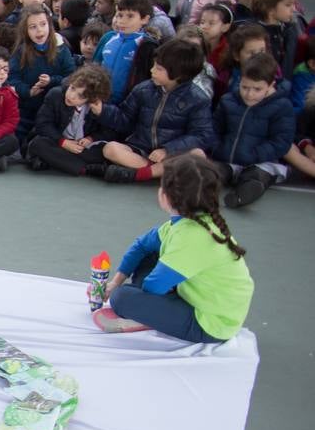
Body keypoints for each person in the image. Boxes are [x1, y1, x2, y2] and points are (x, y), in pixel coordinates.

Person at [93, 157, 254, 341]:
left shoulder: (191, 237)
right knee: (150, 253)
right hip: (204, 302)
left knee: (122, 298)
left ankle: (147, 316)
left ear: (166, 196)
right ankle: (152, 310)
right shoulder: (189, 223)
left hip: (211, 324)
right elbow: (142, 245)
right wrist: (115, 282)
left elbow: (154, 285)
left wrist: (122, 291)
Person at [98, 38, 214, 184]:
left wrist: (167, 150)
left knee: (198, 155)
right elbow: (125, 119)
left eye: (159, 68)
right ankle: (158, 172)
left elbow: (201, 135)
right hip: (141, 150)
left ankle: (140, 174)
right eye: (154, 65)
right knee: (110, 149)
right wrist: (102, 110)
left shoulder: (198, 99)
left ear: (178, 74)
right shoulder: (143, 89)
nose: (152, 70)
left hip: (172, 154)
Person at [213, 53, 296, 207]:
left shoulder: (282, 106)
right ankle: (201, 194)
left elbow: (281, 141)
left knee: (257, 178)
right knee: (211, 173)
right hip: (227, 159)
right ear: (240, 81)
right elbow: (215, 129)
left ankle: (240, 197)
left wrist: (254, 154)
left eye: (257, 89)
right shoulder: (227, 101)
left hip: (261, 163)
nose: (249, 94)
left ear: (271, 85)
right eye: (245, 87)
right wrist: (219, 148)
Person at [25, 64, 114, 177]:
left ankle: (56, 162)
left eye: (80, 96)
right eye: (72, 88)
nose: (71, 96)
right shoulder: (55, 95)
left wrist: (91, 138)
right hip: (58, 141)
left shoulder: (98, 106)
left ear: (91, 99)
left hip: (81, 147)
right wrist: (63, 142)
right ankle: (86, 169)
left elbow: (109, 131)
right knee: (37, 144)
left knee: (104, 151)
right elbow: (42, 124)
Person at [7, 3, 75, 144]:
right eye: (33, 27)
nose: (39, 31)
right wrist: (28, 91)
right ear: (25, 30)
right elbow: (12, 79)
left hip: (53, 110)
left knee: (45, 139)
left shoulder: (61, 49)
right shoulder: (20, 52)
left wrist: (52, 80)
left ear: (49, 25)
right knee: (14, 137)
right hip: (26, 108)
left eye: (43, 24)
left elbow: (71, 76)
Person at [91, 0, 157, 103]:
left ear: (144, 19)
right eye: (120, 15)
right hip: (100, 99)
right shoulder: (109, 39)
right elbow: (95, 66)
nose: (122, 21)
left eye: (130, 16)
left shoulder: (146, 45)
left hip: (128, 104)